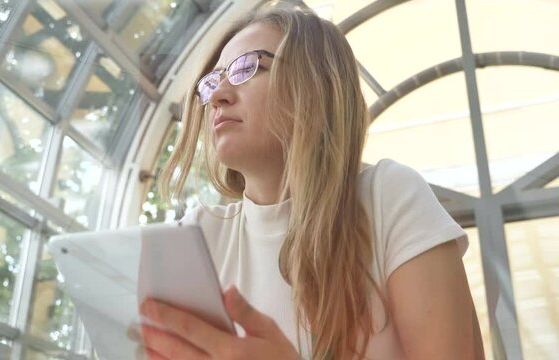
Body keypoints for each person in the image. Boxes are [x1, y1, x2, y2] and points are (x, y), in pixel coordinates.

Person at [132, 3, 485, 360]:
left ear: (315, 85)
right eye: (212, 82)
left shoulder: (387, 196)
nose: (219, 96)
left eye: (245, 68)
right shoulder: (199, 237)